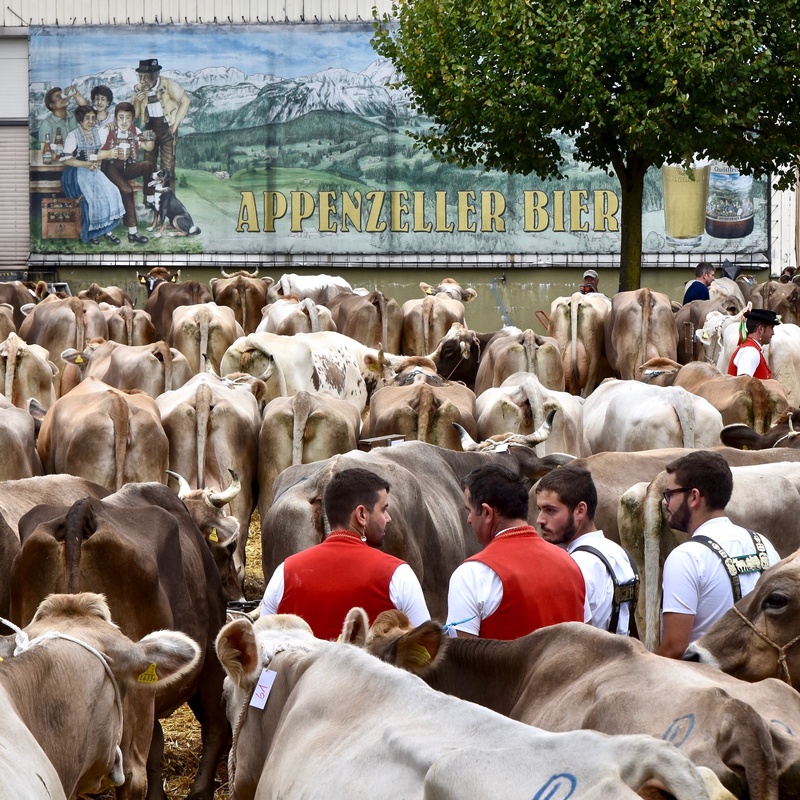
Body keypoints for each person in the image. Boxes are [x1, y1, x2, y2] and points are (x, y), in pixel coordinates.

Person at [260, 467, 429, 640]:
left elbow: (262, 645)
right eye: (383, 509)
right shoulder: (398, 575)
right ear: (361, 514)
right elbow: (425, 649)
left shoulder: (285, 572)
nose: (388, 518)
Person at [659, 450, 780, 658]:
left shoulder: (687, 557)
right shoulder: (764, 544)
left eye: (670, 494)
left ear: (694, 497)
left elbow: (674, 648)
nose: (664, 502)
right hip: (760, 683)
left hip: (704, 684)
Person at [446, 463, 585, 639]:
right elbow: (586, 637)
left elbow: (461, 659)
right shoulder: (572, 563)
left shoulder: (471, 574)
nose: (469, 520)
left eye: (470, 511)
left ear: (488, 513)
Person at [535, 465, 638, 636]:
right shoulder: (620, 553)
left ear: (580, 510)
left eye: (550, 510)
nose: (540, 520)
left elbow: (572, 640)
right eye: (540, 509)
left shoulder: (572, 567)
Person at [59, 105, 124, 245]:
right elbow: (67, 160)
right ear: (80, 120)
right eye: (87, 118)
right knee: (92, 198)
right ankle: (92, 231)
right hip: (76, 173)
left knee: (112, 191)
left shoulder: (98, 133)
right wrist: (85, 164)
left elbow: (105, 132)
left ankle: (106, 231)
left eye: (93, 118)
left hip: (93, 171)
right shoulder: (73, 135)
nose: (90, 121)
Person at [100, 102, 155, 245]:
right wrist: (111, 153)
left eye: (128, 118)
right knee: (127, 190)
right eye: (121, 117)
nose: (124, 122)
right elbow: (97, 153)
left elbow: (149, 147)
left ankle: (149, 197)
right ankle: (133, 232)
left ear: (132, 119)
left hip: (127, 168)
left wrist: (149, 137)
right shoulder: (107, 131)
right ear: (116, 118)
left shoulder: (135, 131)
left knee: (148, 165)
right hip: (110, 168)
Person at [132, 58, 190, 177]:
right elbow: (136, 115)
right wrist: (137, 101)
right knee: (148, 164)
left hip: (167, 126)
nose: (143, 80)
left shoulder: (168, 84)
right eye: (140, 76)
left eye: (146, 76)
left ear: (156, 74)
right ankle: (148, 195)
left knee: (168, 166)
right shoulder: (138, 88)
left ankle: (168, 195)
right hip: (150, 126)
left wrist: (174, 126)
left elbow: (186, 101)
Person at [727, 307, 780, 378]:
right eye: (771, 328)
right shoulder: (750, 352)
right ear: (761, 329)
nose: (773, 333)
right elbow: (743, 384)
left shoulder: (752, 349)